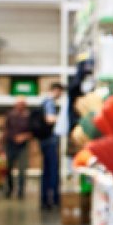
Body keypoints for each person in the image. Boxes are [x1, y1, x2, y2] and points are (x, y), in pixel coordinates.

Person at [38, 82, 63, 210]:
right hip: (50, 141)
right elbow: (49, 119)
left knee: (47, 172)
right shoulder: (49, 102)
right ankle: (53, 200)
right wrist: (62, 119)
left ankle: (45, 200)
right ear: (56, 90)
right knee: (52, 171)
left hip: (45, 141)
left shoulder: (45, 101)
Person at [2, 98, 31, 200]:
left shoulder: (28, 116)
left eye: (22, 104)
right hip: (10, 144)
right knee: (9, 167)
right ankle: (9, 189)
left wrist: (24, 136)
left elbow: (32, 131)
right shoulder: (10, 115)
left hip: (22, 146)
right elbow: (6, 129)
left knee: (22, 169)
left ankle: (21, 191)